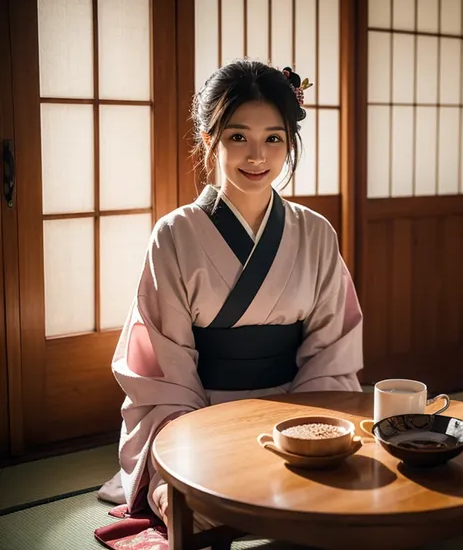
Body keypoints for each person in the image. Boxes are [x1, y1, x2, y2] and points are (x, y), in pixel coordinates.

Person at [94, 58, 363, 546]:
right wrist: (187, 442)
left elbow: (331, 352)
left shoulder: (317, 233)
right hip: (198, 418)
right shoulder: (175, 234)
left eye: (274, 139)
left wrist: (306, 433)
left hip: (293, 412)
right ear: (209, 139)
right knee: (194, 503)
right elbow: (164, 369)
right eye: (238, 136)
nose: (257, 155)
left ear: (289, 143)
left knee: (358, 492)